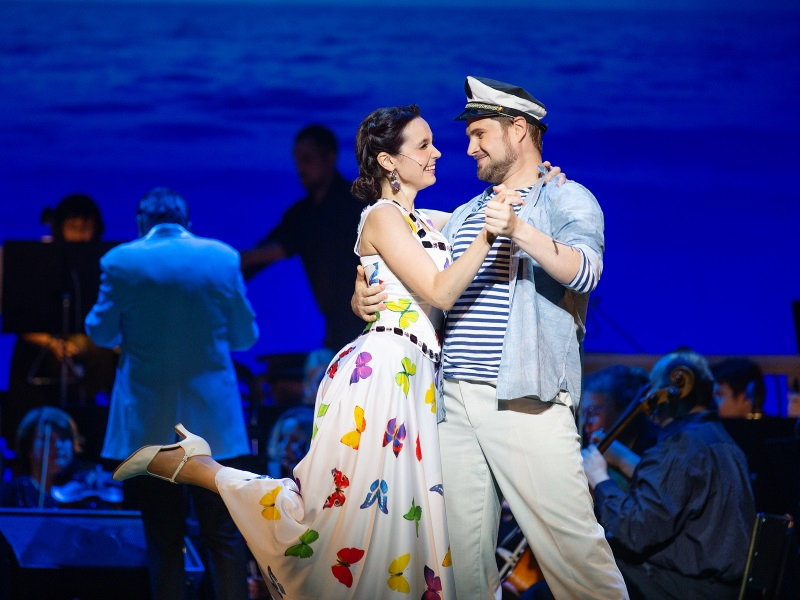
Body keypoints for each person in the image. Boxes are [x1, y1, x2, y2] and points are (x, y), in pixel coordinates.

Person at [109, 104, 523, 600]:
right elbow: (439, 290)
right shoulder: (381, 215)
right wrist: (489, 233)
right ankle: (202, 468)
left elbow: (475, 217)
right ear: (388, 161)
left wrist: (540, 182)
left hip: (415, 378)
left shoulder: (429, 220)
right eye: (423, 145)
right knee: (334, 522)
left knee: (396, 525)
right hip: (383, 374)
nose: (437, 153)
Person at [353, 76, 628, 599]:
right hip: (452, 403)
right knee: (459, 565)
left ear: (518, 130)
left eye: (479, 134)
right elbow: (392, 241)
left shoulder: (565, 198)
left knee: (575, 557)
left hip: (524, 399)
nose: (469, 148)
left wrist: (520, 229)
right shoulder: (462, 215)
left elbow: (586, 271)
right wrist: (359, 291)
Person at [84, 187, 259, 600]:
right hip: (215, 424)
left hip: (149, 423)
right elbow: (245, 336)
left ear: (141, 223)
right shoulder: (222, 257)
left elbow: (100, 331)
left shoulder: (120, 260)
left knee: (163, 539)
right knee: (223, 535)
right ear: (188, 222)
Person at [582, 349, 756, 599]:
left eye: (653, 386)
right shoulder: (721, 441)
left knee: (556, 587)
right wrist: (622, 459)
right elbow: (679, 491)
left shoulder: (680, 446)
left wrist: (600, 479)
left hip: (680, 588)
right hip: (719, 589)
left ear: (678, 389)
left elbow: (634, 531)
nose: (649, 397)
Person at [241, 124, 366, 351]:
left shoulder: (359, 206)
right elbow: (262, 253)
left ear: (330, 157)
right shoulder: (302, 215)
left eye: (307, 159)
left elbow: (272, 250)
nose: (300, 168)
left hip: (373, 324)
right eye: (298, 161)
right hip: (338, 330)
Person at [4, 194, 117, 442]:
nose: (80, 235)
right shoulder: (38, 259)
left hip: (90, 347)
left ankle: (102, 435)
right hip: (45, 346)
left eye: (86, 227)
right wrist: (51, 343)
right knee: (27, 356)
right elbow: (19, 315)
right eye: (73, 227)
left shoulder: (107, 262)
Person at [0, 406, 76, 508]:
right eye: (47, 439)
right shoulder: (14, 492)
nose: (58, 445)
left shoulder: (81, 493)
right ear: (29, 447)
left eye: (64, 438)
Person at [581, 365, 658, 454]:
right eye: (583, 412)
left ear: (622, 410)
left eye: (592, 411)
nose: (584, 423)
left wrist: (623, 459)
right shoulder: (583, 445)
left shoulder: (655, 448)